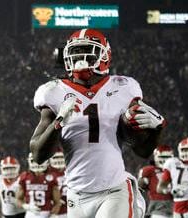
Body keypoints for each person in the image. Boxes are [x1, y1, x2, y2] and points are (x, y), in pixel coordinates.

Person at [29, 29, 166, 218]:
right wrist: (58, 122)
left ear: (104, 55)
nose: (80, 57)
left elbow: (142, 151)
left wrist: (156, 129)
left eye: (86, 50)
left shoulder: (124, 87)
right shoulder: (53, 91)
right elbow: (38, 155)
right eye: (75, 52)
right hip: (76, 195)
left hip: (113, 190)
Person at [16, 153, 61, 218]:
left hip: (46, 213)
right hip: (30, 213)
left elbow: (57, 202)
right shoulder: (24, 177)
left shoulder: (51, 177)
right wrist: (26, 206)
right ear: (29, 161)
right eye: (34, 161)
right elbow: (18, 200)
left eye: (40, 160)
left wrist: (53, 215)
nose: (37, 163)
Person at [138, 145, 174, 218]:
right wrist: (143, 182)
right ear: (156, 157)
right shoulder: (149, 170)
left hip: (176, 204)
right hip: (158, 205)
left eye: (168, 157)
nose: (165, 160)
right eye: (162, 157)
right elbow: (139, 187)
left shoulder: (176, 169)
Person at [47, 151, 66, 218]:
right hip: (52, 212)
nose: (59, 159)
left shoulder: (72, 170)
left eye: (61, 157)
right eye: (56, 157)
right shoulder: (46, 173)